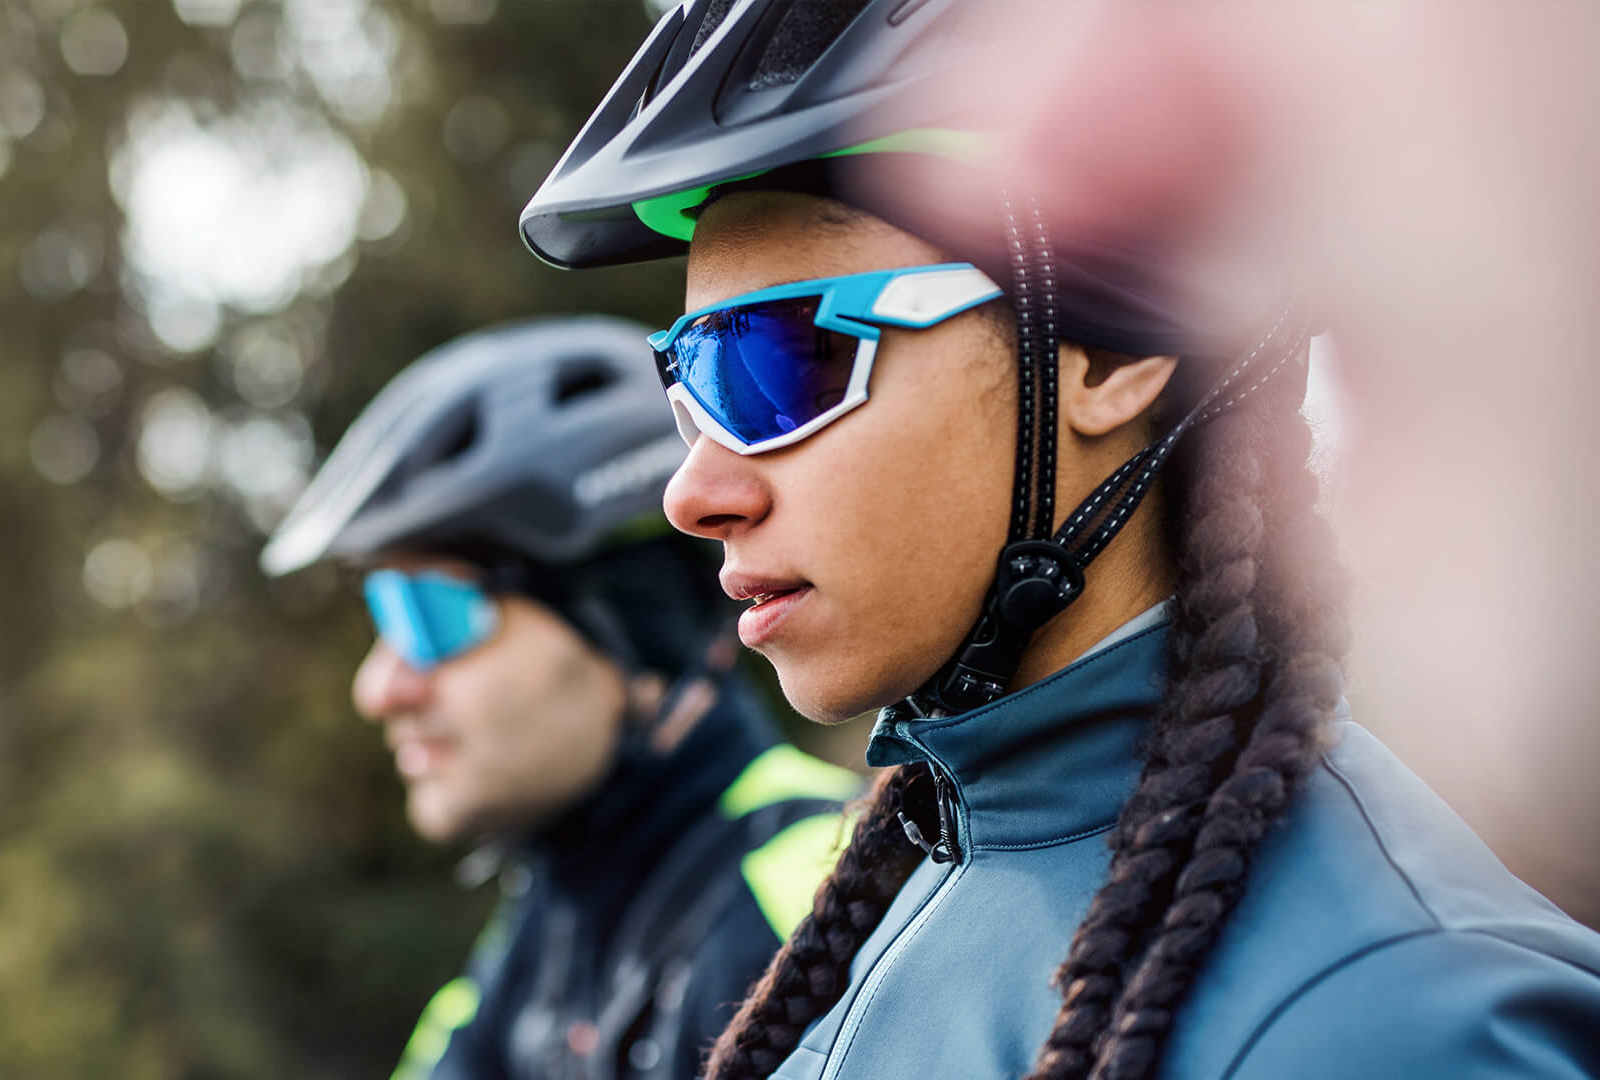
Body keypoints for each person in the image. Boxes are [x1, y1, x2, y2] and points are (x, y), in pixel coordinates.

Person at [517, 3, 1600, 1079]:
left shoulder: (1398, 1022)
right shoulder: (888, 902)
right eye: (687, 385)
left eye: (777, 363)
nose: (691, 491)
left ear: (1103, 352)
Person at [261, 315, 863, 1080]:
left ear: (639, 639)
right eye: (383, 613)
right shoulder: (534, 942)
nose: (379, 688)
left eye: (431, 615)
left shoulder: (823, 908)